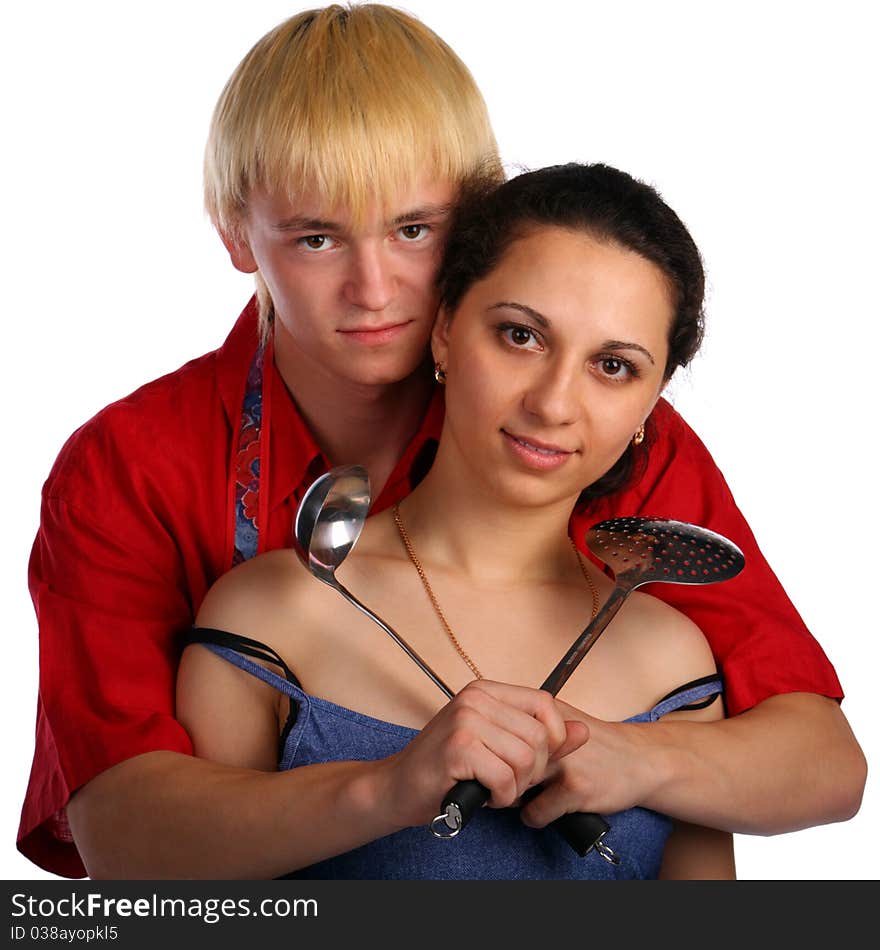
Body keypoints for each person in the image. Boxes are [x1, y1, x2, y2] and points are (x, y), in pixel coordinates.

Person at [20, 4, 863, 880]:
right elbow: (124, 841)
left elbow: (821, 761)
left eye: (414, 230)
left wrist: (638, 757)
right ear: (237, 232)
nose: (373, 289)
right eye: (317, 237)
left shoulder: (602, 437)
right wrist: (392, 783)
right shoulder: (128, 469)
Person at [179, 162, 737, 879]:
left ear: (651, 405)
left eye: (614, 367)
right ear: (443, 331)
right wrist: (388, 789)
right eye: (520, 336)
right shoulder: (275, 611)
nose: (554, 403)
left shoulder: (674, 661)